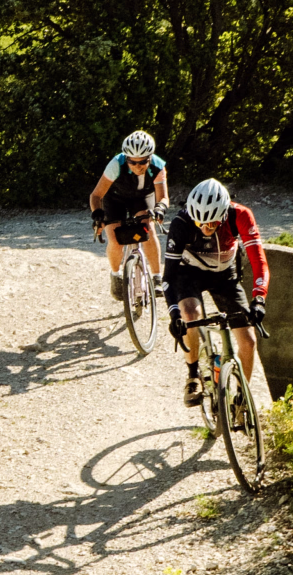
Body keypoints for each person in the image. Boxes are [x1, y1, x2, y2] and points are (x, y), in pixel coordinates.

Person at [163, 179, 268, 409]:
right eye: (200, 221)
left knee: (249, 341)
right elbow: (168, 278)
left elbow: (259, 261)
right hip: (188, 273)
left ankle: (242, 398)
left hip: (225, 274)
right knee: (190, 316)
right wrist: (174, 315)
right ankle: (193, 374)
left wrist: (259, 298)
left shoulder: (240, 215)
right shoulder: (181, 222)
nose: (205, 227)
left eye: (211, 222)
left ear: (223, 213)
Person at [89, 130, 169, 301]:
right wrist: (97, 215)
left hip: (141, 198)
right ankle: (116, 274)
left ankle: (156, 277)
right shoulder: (115, 165)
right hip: (115, 198)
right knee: (115, 238)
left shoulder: (158, 166)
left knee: (148, 229)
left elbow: (163, 196)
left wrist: (161, 208)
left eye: (143, 162)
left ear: (150, 157)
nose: (138, 166)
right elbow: (96, 196)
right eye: (132, 162)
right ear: (127, 158)